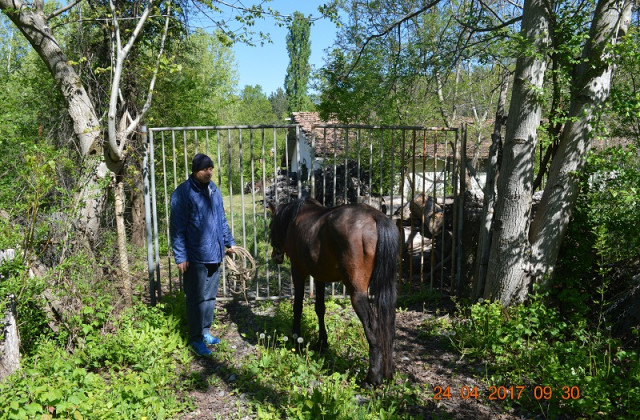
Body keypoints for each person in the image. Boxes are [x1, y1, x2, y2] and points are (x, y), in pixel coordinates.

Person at [170, 153, 236, 356]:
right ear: (195, 171)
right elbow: (177, 228)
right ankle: (196, 338)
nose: (209, 172)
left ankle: (205, 331)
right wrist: (180, 256)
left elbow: (221, 220)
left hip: (215, 253)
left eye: (211, 168)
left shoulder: (213, 190)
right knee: (196, 298)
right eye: (205, 169)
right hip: (195, 256)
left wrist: (229, 242)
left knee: (209, 297)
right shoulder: (182, 193)